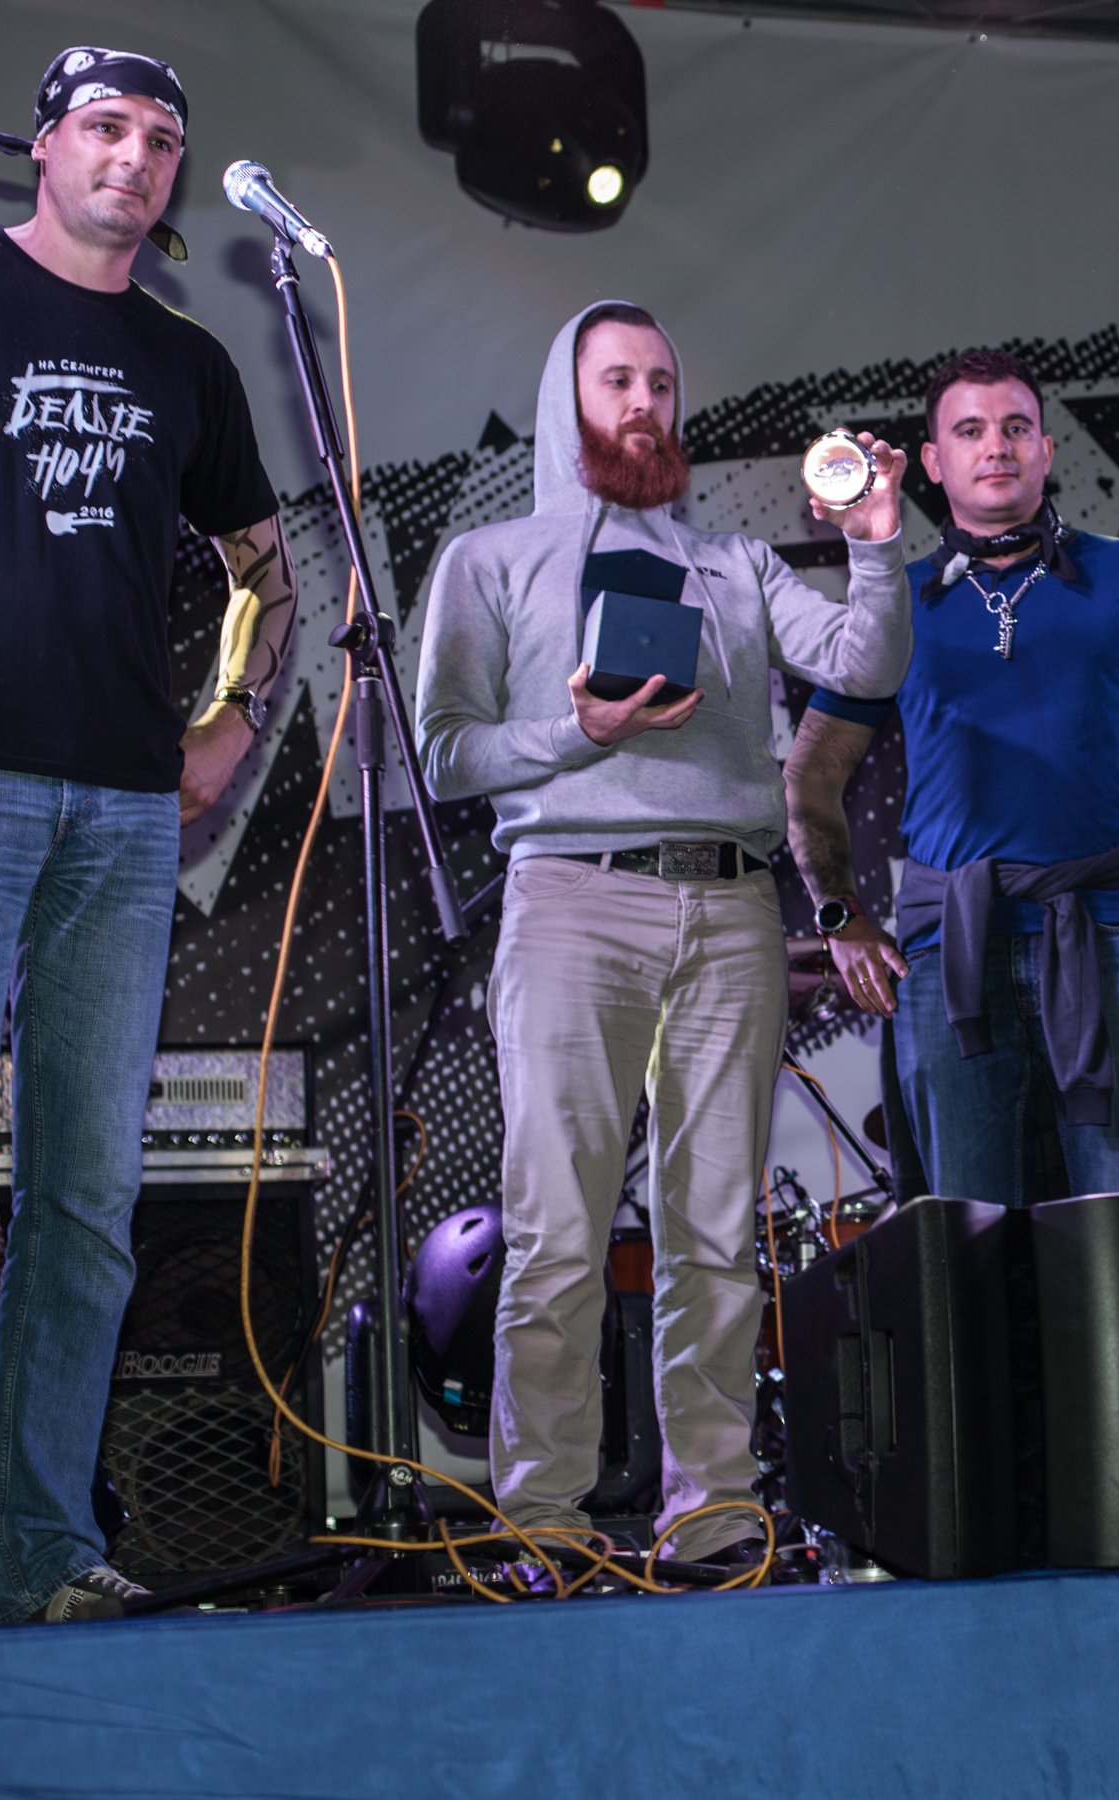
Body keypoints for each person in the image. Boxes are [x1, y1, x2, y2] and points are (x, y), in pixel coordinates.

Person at [0, 48, 296, 1635]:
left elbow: (267, 566)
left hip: (120, 812)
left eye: (164, 138)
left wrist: (232, 720)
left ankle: (42, 1551)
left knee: (89, 1194)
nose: (137, 156)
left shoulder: (188, 360)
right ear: (42, 144)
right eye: (107, 126)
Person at [416, 301, 909, 1564]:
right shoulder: (491, 558)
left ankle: (713, 1511)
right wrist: (576, 731)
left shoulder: (737, 565)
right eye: (615, 381)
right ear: (566, 400)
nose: (643, 404)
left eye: (660, 383)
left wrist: (875, 548)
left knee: (715, 1231)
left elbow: (864, 666)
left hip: (732, 904)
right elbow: (444, 752)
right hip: (571, 897)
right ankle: (545, 1518)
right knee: (558, 1229)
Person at [784, 350, 1119, 1204]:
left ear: (1046, 448)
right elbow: (811, 775)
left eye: (1015, 428)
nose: (996, 446)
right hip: (948, 948)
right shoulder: (897, 600)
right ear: (934, 461)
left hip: (1112, 937)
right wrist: (841, 918)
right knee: (966, 1240)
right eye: (969, 431)